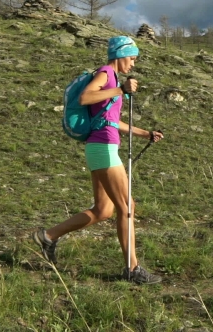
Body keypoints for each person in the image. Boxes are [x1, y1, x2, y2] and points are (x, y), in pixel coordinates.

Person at [33, 36, 164, 284]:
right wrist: (120, 90)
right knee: (127, 207)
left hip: (101, 146)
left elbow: (112, 121)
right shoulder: (106, 72)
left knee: (104, 210)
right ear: (120, 55)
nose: (133, 64)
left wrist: (145, 133)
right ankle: (132, 269)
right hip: (103, 148)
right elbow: (85, 97)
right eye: (132, 58)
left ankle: (48, 236)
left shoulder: (113, 80)